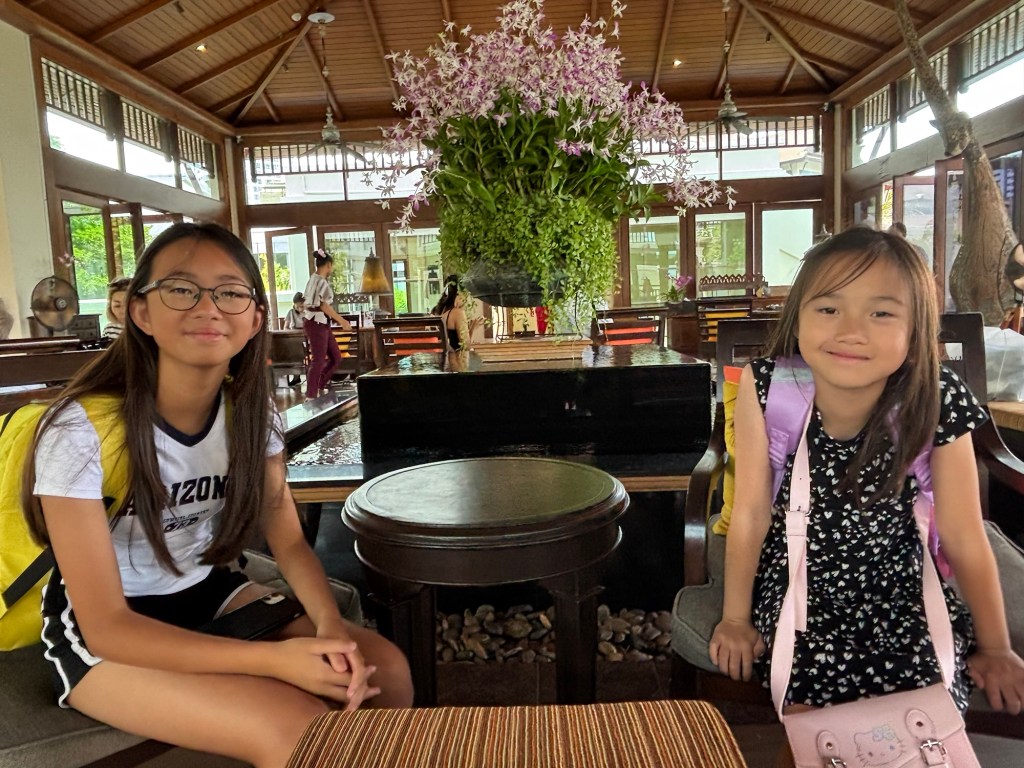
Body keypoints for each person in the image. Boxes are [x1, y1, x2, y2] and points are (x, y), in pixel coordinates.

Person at [23, 223, 412, 768]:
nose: (207, 308)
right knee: (298, 731)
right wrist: (280, 664)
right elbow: (108, 627)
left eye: (230, 293)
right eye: (181, 289)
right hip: (108, 630)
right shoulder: (81, 431)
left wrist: (330, 632)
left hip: (208, 591)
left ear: (255, 319)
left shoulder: (251, 416)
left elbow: (290, 544)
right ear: (139, 312)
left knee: (382, 672)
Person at [709, 227, 1024, 723]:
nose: (850, 330)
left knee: (925, 702)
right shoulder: (770, 385)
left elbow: (965, 533)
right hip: (799, 578)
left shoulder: (935, 394)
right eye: (829, 309)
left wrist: (996, 647)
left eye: (881, 313)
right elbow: (750, 512)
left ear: (915, 330)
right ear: (799, 319)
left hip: (901, 583)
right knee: (810, 700)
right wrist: (735, 618)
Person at [302, 249, 351, 399]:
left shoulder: (314, 279)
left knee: (336, 356)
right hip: (316, 322)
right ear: (328, 265)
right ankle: (311, 395)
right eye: (332, 266)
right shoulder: (320, 281)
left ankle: (319, 385)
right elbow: (323, 305)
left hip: (320, 322)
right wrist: (342, 321)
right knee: (318, 360)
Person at [431, 275, 482, 351]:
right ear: (461, 294)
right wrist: (473, 328)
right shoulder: (457, 313)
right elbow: (465, 347)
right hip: (454, 360)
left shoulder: (435, 310)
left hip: (439, 359)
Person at [102, 277, 130, 341]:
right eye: (117, 306)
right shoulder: (109, 330)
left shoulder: (149, 328)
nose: (123, 311)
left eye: (128, 305)